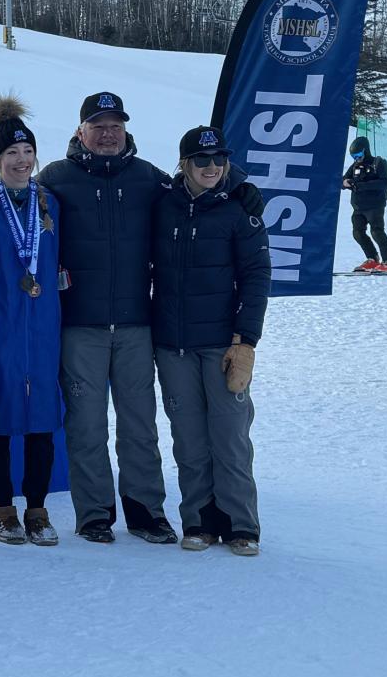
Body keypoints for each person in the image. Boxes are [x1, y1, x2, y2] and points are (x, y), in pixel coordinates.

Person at [40, 91, 261, 546]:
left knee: (139, 423)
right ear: (80, 131)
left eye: (115, 125)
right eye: (97, 125)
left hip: (139, 324)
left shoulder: (148, 180)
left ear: (126, 130)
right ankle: (95, 514)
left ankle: (145, 512)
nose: (107, 133)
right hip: (80, 324)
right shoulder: (56, 178)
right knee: (86, 424)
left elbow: (201, 179)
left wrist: (240, 183)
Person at [151, 126, 270, 557]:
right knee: (188, 439)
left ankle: (241, 524)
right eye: (202, 160)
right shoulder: (162, 204)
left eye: (219, 159)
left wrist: (247, 338)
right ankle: (199, 520)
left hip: (223, 343)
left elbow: (257, 276)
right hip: (172, 344)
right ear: (184, 163)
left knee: (230, 437)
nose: (212, 167)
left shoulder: (240, 209)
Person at [0, 95, 61, 546]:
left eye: (27, 152)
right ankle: (3, 508)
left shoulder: (49, 204)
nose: (21, 161)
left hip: (43, 328)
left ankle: (39, 509)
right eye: (11, 153)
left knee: (41, 420)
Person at [342, 136, 387, 272]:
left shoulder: (378, 163)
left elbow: (385, 182)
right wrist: (345, 183)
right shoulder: (355, 167)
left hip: (375, 205)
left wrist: (361, 185)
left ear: (366, 151)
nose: (357, 158)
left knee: (377, 232)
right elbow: (343, 180)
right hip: (358, 207)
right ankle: (372, 258)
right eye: (353, 156)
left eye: (359, 155)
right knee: (357, 233)